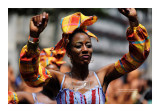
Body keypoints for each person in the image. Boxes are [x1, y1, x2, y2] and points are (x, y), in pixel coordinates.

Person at [19, 8, 150, 104]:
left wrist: (133, 21)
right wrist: (34, 37)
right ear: (68, 53)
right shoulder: (59, 80)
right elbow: (31, 76)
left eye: (88, 45)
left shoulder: (103, 76)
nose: (85, 49)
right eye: (78, 46)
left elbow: (136, 57)